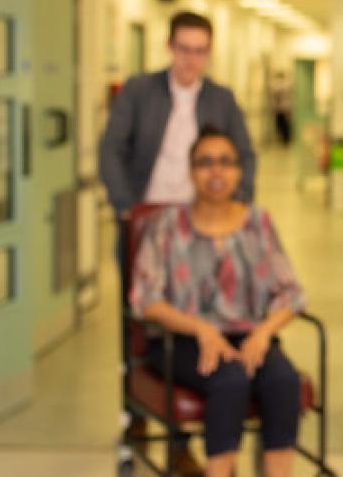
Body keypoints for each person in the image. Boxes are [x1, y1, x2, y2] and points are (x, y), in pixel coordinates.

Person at [100, 12, 256, 474]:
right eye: (184, 49)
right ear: (170, 48)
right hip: (147, 221)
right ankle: (136, 413)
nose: (191, 60)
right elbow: (112, 148)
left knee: (197, 320)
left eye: (200, 51)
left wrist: (237, 209)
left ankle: (181, 436)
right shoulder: (139, 92)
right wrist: (127, 207)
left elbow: (244, 153)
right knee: (141, 323)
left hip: (202, 227)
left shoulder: (221, 100)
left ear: (209, 53)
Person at [130, 128, 304, 477]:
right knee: (231, 380)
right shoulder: (167, 224)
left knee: (283, 379)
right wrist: (201, 329)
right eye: (205, 163)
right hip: (181, 340)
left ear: (239, 171)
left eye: (225, 162)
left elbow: (291, 292)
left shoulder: (258, 222)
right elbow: (144, 299)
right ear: (191, 172)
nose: (216, 172)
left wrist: (264, 333)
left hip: (249, 336)